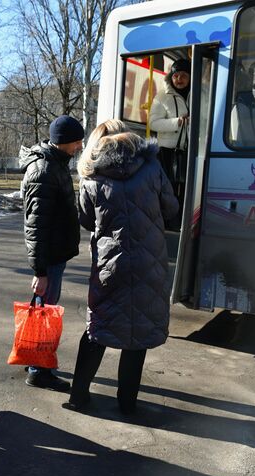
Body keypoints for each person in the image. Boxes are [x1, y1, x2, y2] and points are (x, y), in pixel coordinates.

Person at [64, 120, 179, 415]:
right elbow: (171, 208)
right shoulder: (151, 167)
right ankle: (127, 404)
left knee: (98, 327)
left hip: (109, 264)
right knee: (137, 333)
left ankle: (78, 396)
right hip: (148, 261)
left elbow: (87, 220)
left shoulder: (91, 176)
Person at [19, 114, 85, 392]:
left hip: (55, 252)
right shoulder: (44, 170)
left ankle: (32, 357)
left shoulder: (55, 164)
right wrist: (40, 271)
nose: (80, 145)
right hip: (49, 257)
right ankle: (39, 370)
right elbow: (35, 226)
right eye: (78, 141)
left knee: (40, 308)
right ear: (64, 141)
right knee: (45, 311)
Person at [150, 58, 190, 219]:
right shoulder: (162, 96)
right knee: (168, 190)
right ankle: (167, 221)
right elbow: (153, 123)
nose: (179, 79)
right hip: (167, 152)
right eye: (176, 75)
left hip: (188, 149)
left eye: (183, 75)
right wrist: (178, 122)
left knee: (186, 188)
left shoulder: (198, 93)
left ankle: (180, 220)